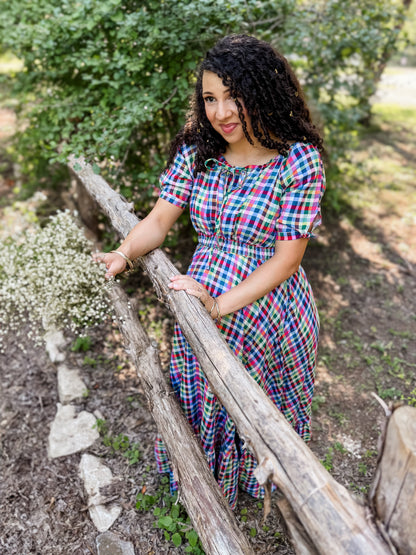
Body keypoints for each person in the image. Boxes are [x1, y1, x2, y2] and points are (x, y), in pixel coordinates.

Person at [95, 34, 325, 509]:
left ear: (264, 91)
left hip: (265, 303)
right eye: (210, 98)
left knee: (248, 397)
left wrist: (220, 304)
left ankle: (254, 480)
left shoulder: (298, 161)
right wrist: (124, 252)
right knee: (201, 386)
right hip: (197, 294)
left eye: (233, 95)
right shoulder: (199, 151)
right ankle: (201, 479)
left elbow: (287, 258)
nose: (221, 112)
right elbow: (159, 220)